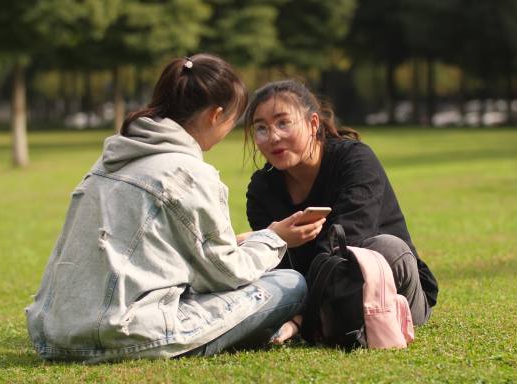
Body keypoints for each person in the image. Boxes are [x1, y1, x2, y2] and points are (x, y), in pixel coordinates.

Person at [25, 55, 326, 363]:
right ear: (215, 115)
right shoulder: (188, 172)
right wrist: (274, 238)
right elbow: (225, 274)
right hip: (125, 335)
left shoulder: (108, 162)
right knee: (289, 283)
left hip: (56, 335)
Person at [244, 80, 439, 340]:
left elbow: (345, 244)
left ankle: (312, 323)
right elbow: (269, 264)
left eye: (283, 123)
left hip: (385, 283)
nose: (273, 137)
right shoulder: (262, 188)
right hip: (310, 291)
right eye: (261, 128)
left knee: (384, 249)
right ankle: (332, 323)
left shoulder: (356, 161)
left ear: (313, 124)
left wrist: (303, 314)